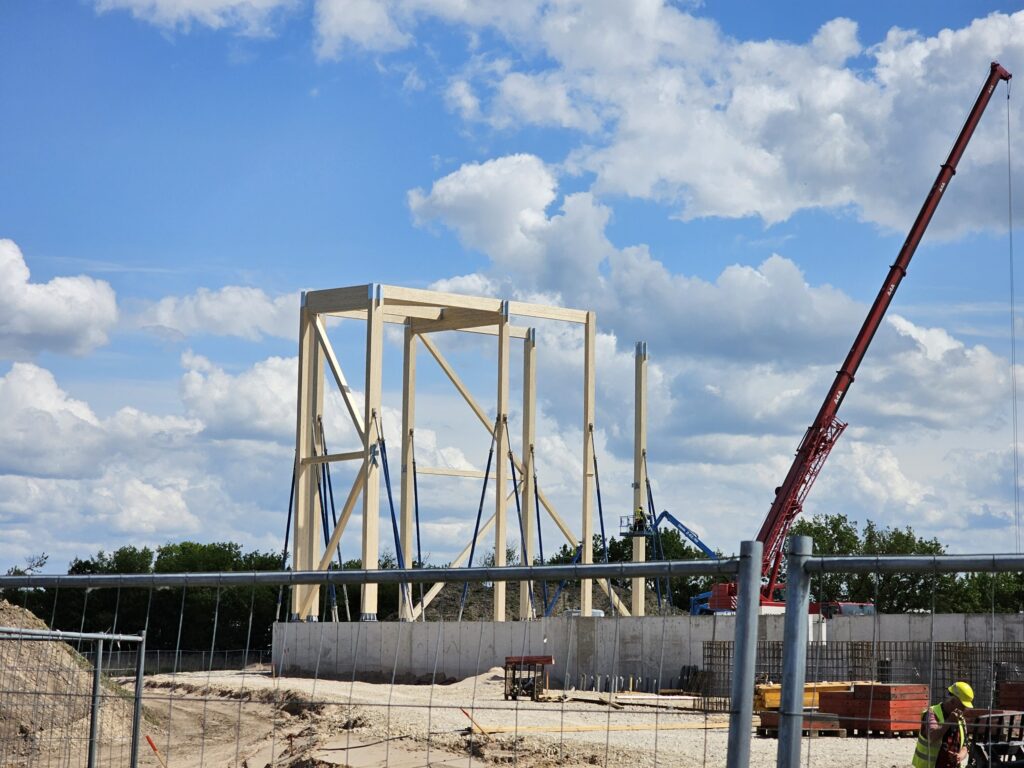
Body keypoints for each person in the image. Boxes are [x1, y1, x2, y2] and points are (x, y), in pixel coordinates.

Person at [912, 681, 973, 768]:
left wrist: (959, 756)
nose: (965, 709)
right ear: (952, 701)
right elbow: (932, 737)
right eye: (962, 705)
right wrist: (949, 721)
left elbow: (965, 745)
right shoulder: (931, 713)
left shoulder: (960, 718)